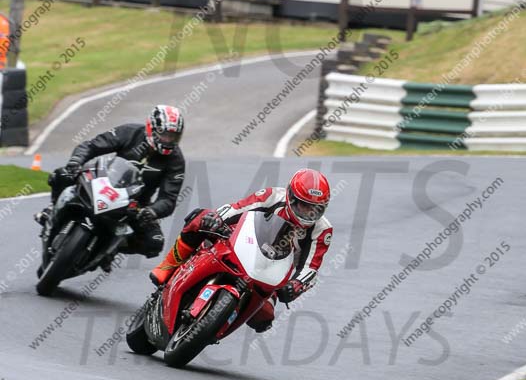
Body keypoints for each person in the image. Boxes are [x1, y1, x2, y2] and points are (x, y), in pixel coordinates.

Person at [150, 168, 333, 332]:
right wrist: (217, 218)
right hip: (239, 243)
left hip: (271, 273)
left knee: (264, 319)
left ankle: (217, 326)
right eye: (304, 205)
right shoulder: (272, 196)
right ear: (290, 197)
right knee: (200, 217)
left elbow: (311, 267)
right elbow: (237, 208)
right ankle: (167, 266)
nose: (309, 213)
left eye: (316, 209)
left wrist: (295, 286)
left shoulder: (322, 230)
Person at [37, 105, 186, 261]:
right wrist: (76, 162)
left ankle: (111, 249)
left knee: (154, 242)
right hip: (103, 182)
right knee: (63, 174)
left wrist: (152, 211)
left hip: (135, 204)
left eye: (173, 137)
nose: (168, 140)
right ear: (151, 128)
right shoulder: (130, 132)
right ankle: (52, 209)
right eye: (165, 135)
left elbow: (169, 199)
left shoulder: (175, 161)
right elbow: (91, 146)